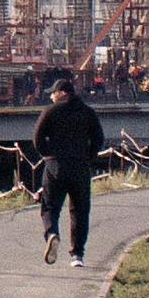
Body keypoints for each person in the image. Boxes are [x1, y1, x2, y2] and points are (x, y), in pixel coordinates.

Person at [29, 78, 108, 263]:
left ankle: (51, 233)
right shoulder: (88, 113)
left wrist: (47, 154)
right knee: (80, 210)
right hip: (80, 166)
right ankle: (77, 255)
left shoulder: (50, 111)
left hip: (55, 166)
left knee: (49, 206)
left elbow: (37, 138)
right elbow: (98, 138)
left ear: (62, 93)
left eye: (53, 93)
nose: (51, 96)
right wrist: (89, 156)